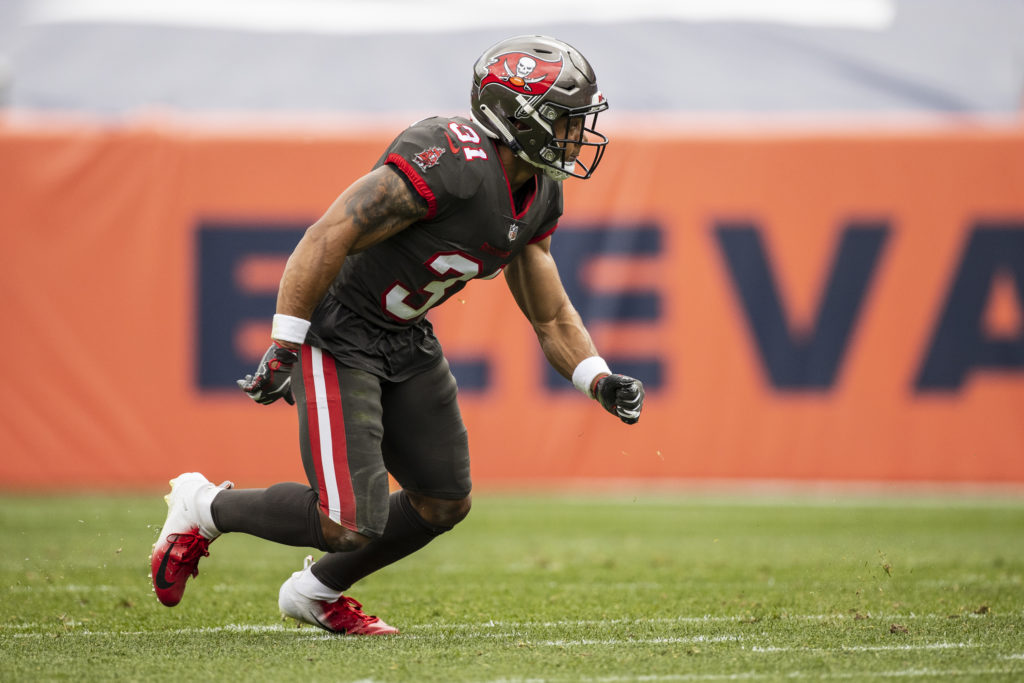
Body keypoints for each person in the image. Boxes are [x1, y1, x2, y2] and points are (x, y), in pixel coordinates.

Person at [149, 34, 645, 635]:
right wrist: (286, 343)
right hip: (339, 332)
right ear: (519, 115)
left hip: (405, 338)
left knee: (443, 500)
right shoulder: (451, 157)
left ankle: (315, 590)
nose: (575, 135)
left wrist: (596, 377)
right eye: (565, 119)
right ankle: (202, 507)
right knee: (348, 522)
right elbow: (328, 233)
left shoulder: (540, 192)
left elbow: (549, 312)